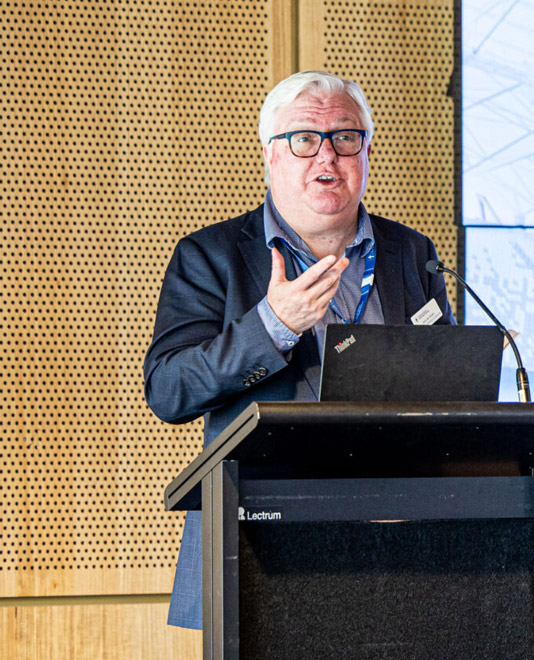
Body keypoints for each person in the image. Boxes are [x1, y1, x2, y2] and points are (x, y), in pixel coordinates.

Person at [143, 70, 454, 630]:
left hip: (400, 543)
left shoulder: (413, 253)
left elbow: (453, 391)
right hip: (262, 543)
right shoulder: (211, 256)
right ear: (271, 156)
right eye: (304, 139)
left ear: (365, 151)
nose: (327, 158)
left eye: (345, 138)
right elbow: (169, 389)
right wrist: (273, 325)